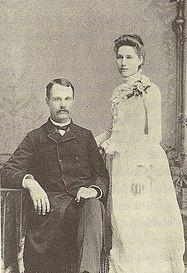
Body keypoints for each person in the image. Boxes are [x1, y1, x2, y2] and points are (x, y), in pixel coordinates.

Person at [1, 78, 111, 273]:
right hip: (49, 217)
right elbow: (6, 171)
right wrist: (30, 183)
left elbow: (101, 175)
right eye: (57, 99)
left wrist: (93, 190)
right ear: (47, 101)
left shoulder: (85, 136)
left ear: (73, 101)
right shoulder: (35, 137)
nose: (63, 104)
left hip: (83, 211)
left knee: (93, 206)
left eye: (68, 99)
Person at [95, 34, 185, 273]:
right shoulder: (117, 92)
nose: (123, 63)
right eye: (119, 57)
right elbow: (112, 130)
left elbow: (154, 135)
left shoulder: (149, 89)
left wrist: (141, 172)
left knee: (141, 224)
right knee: (121, 224)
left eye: (129, 57)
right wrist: (87, 142)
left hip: (142, 166)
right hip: (119, 165)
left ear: (140, 60)